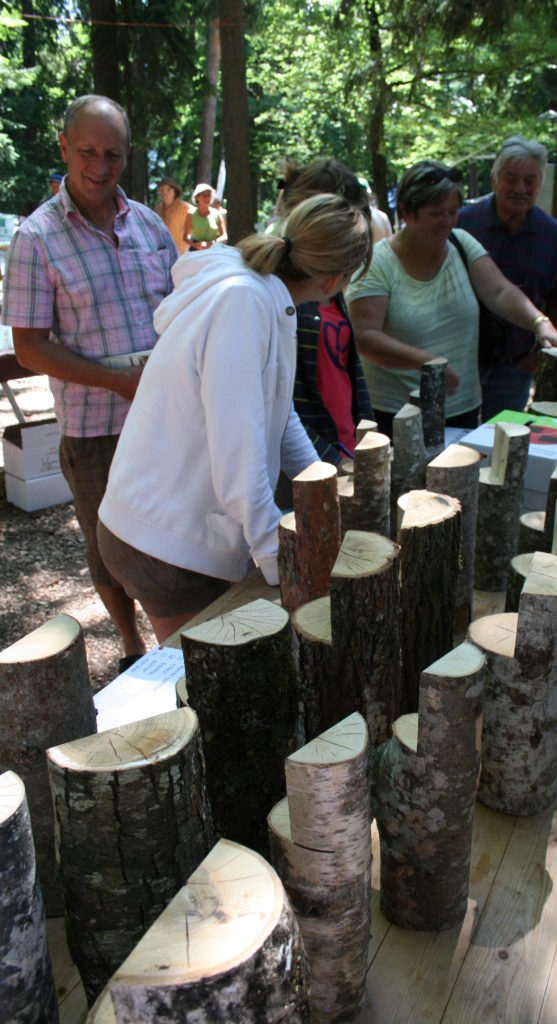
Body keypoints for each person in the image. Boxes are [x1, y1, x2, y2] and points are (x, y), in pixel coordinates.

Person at [97, 193, 372, 642]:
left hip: (167, 531)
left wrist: (323, 485)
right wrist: (276, 559)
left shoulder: (263, 293)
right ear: (335, 281)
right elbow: (238, 452)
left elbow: (279, 416)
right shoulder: (243, 302)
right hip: (163, 540)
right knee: (197, 688)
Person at [1, 94, 177, 672]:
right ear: (63, 147)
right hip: (95, 426)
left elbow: (178, 313)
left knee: (173, 531)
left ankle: (175, 640)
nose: (100, 168)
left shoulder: (150, 225)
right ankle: (131, 645)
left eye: (113, 155)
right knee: (109, 550)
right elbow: (28, 347)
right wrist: (115, 381)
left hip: (164, 419)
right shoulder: (37, 238)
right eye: (87, 152)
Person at [346, 159, 557, 438]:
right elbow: (364, 337)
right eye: (436, 213)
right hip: (396, 414)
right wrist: (428, 362)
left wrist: (540, 323)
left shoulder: (461, 243)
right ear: (406, 212)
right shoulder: (377, 264)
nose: (447, 222)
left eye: (452, 211)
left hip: (461, 408)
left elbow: (500, 291)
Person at [457, 136, 557, 420]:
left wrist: (534, 360)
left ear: (540, 184)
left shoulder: (553, 236)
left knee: (504, 443)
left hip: (515, 366)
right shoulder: (463, 224)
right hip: (460, 361)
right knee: (455, 442)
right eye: (511, 179)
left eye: (530, 180)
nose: (520, 188)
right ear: (495, 180)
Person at [273, 159, 374, 463]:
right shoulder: (286, 296)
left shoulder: (327, 284)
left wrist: (368, 435)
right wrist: (330, 460)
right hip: (309, 466)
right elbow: (282, 410)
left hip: (344, 451)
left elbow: (349, 369)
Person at [154, 175, 191, 254]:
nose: (160, 193)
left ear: (172, 191)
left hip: (180, 256)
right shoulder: (157, 209)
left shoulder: (186, 208)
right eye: (159, 190)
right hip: (162, 256)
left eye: (162, 189)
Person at [184, 183, 227, 250]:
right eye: (204, 195)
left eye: (208, 195)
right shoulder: (191, 214)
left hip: (214, 248)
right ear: (197, 197)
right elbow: (185, 236)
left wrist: (213, 243)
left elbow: (224, 236)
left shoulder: (217, 214)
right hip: (196, 249)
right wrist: (195, 245)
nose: (207, 198)